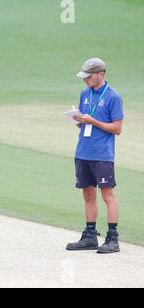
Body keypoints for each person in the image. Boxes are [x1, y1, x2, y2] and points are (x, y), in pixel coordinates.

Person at [66, 58, 124, 254]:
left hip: (102, 154)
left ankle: (112, 238)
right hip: (83, 151)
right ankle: (90, 236)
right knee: (88, 194)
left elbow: (117, 128)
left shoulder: (113, 97)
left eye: (88, 77)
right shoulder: (85, 93)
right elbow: (85, 124)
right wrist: (77, 120)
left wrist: (94, 121)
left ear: (101, 74)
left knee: (108, 195)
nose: (85, 80)